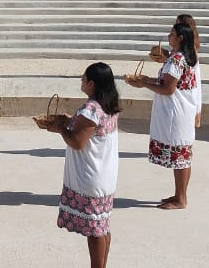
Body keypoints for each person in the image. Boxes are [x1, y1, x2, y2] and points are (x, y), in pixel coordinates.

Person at [48, 62, 121, 268]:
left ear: (92, 83)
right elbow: (92, 131)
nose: (81, 81)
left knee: (95, 231)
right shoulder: (109, 104)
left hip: (91, 176)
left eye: (83, 78)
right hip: (105, 174)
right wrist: (72, 121)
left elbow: (77, 142)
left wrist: (62, 129)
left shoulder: (91, 108)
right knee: (102, 226)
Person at [128, 22, 200, 210]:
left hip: (177, 113)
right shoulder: (185, 57)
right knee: (181, 155)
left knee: (181, 155)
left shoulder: (177, 59)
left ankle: (181, 199)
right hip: (182, 111)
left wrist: (144, 84)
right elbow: (166, 82)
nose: (169, 36)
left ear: (181, 38)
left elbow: (168, 89)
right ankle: (179, 195)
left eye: (172, 34)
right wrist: (146, 80)